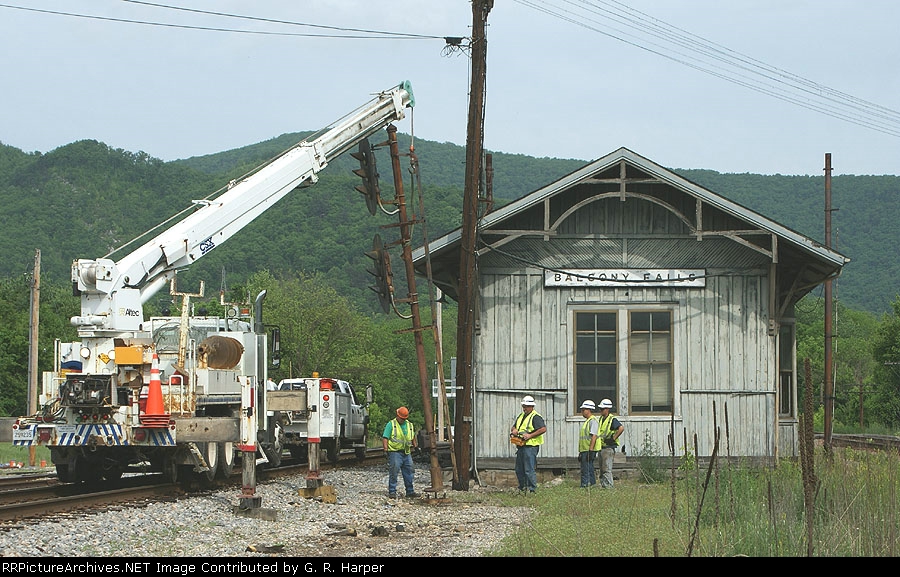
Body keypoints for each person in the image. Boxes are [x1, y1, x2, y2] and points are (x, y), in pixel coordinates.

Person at [510, 395, 547, 493]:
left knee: (529, 469)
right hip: (521, 446)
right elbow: (514, 427)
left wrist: (530, 436)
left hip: (531, 446)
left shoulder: (536, 417)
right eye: (523, 406)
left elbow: (543, 429)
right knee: (519, 469)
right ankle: (522, 488)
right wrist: (514, 430)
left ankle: (532, 490)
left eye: (526, 406)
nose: (524, 408)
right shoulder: (521, 416)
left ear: (531, 406)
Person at [382, 406, 419, 499]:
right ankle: (392, 491)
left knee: (409, 471)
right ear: (397, 416)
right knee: (394, 471)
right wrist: (385, 450)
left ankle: (410, 491)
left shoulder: (409, 425)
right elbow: (385, 437)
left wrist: (416, 446)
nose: (403, 420)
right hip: (395, 452)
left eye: (404, 418)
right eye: (402, 418)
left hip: (406, 452)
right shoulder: (391, 424)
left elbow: (413, 436)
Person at [596, 398, 624, 488]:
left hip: (608, 448)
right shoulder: (601, 419)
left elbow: (621, 428)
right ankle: (604, 486)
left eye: (602, 409)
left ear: (607, 409)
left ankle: (609, 488)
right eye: (600, 409)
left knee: (607, 469)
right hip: (601, 447)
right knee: (602, 469)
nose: (600, 410)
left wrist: (613, 438)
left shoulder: (612, 419)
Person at [577, 400, 600, 488]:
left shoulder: (593, 421)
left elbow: (594, 436)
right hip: (585, 449)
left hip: (589, 449)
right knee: (588, 467)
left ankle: (585, 484)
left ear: (589, 410)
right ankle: (591, 484)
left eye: (583, 410)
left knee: (586, 468)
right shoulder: (588, 421)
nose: (582, 412)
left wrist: (590, 450)